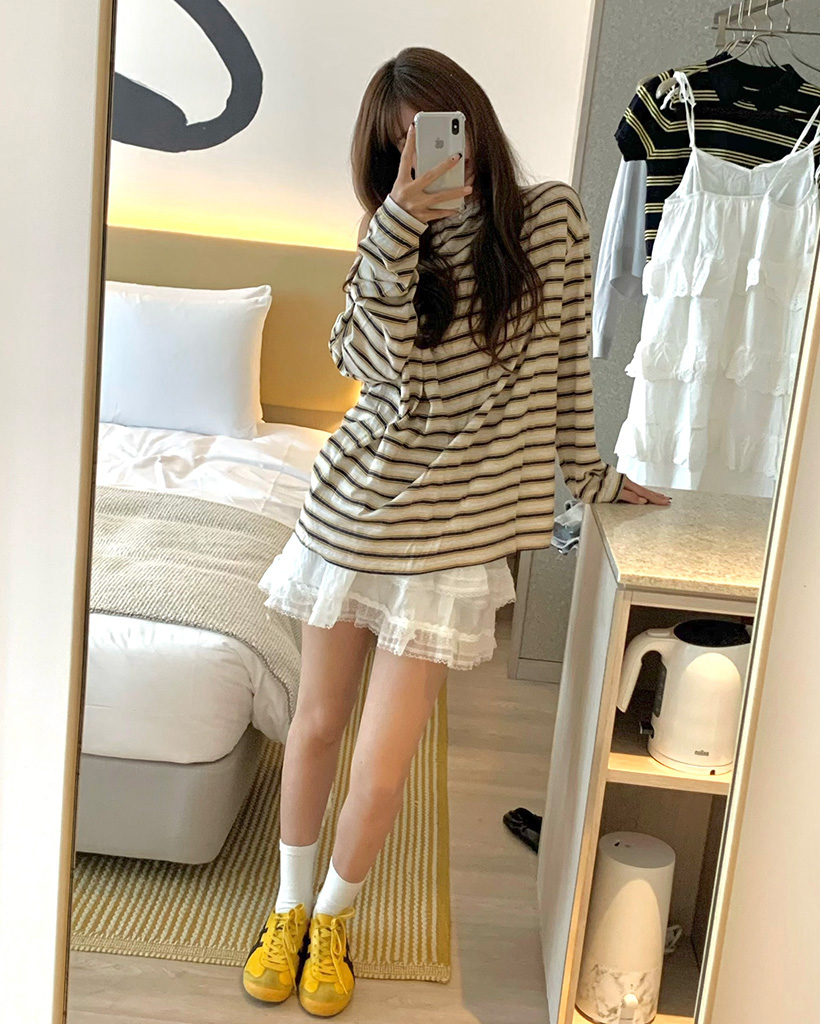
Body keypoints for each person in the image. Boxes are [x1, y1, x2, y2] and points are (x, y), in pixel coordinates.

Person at [243, 46, 669, 1017]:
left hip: (450, 548)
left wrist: (593, 476)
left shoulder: (552, 219)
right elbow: (370, 365)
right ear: (386, 160)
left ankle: (333, 920)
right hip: (354, 512)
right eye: (403, 148)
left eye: (440, 132)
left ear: (473, 122)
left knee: (383, 762)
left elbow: (565, 373)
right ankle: (287, 908)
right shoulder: (389, 236)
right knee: (316, 725)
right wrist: (398, 226)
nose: (434, 157)